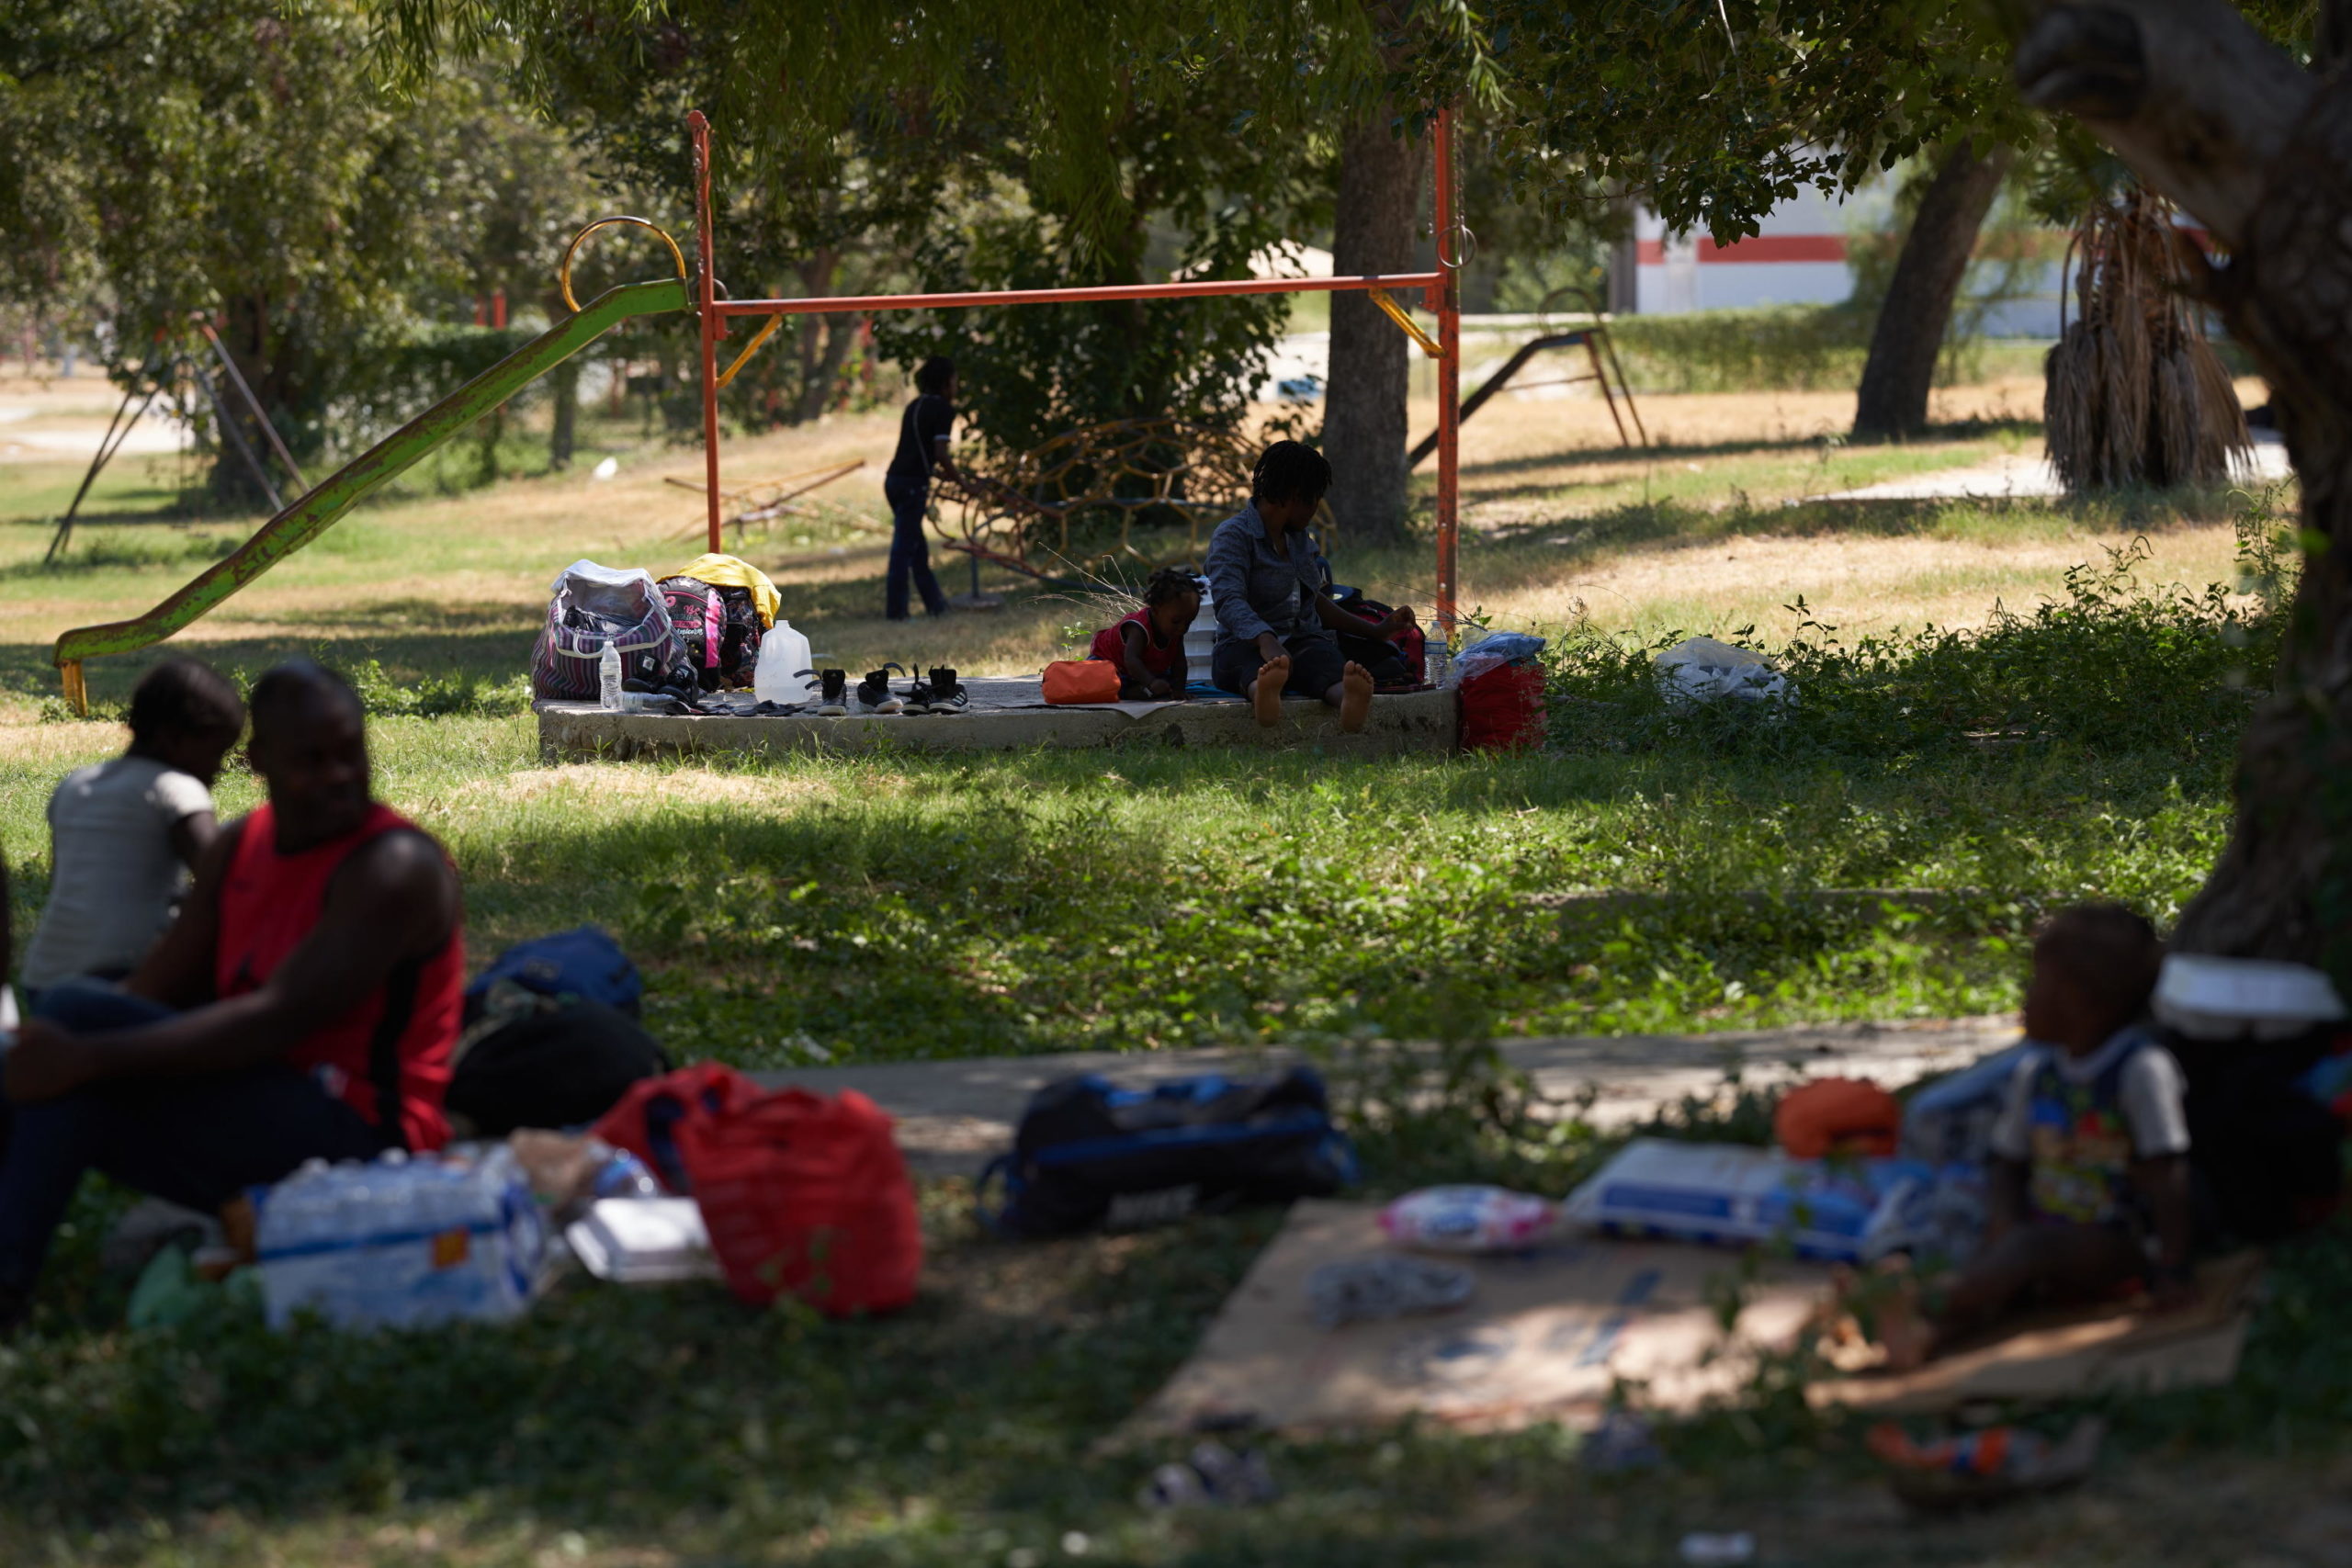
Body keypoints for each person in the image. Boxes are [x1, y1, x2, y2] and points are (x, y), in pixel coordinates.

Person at [0, 661, 466, 1327]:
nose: (337, 774)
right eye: (310, 758)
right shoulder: (241, 846)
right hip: (261, 1098)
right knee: (71, 1020)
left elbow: (272, 1021)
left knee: (77, 1038)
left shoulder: (393, 867)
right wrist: (47, 1051)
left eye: (350, 751)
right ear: (258, 762)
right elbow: (152, 990)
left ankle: (8, 1284)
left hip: (366, 1138)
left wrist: (84, 1058)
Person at [1871, 904, 2194, 1368]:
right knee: (2001, 1273)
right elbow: (2008, 1162)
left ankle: (1915, 1302)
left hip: (2116, 1244)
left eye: (2037, 984)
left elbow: (2167, 1173)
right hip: (2043, 1234)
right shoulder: (2036, 1074)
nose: (2025, 998)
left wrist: (2174, 1268)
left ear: (2080, 1000)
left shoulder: (2140, 1070)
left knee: (2024, 1254)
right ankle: (1924, 1337)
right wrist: (2003, 1224)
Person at [19, 658, 244, 997]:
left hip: (41, 981)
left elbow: (93, 885)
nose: (217, 770)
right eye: (215, 754)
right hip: (118, 981)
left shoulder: (75, 785)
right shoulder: (176, 789)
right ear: (174, 739)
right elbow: (225, 883)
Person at [1204, 441, 1418, 733]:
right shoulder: (1233, 535)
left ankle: (1348, 701)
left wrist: (1378, 630)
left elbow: (1313, 600)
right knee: (1247, 665)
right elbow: (1229, 600)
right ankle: (1263, 694)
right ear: (1292, 495)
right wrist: (1266, 640)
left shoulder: (1300, 539)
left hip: (1300, 643)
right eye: (1313, 499)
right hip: (1242, 646)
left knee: (1324, 662)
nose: (1316, 509)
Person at [882, 355, 958, 621]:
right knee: (904, 550)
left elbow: (919, 451)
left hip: (894, 480)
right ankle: (897, 613)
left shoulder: (914, 405)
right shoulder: (944, 410)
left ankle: (936, 606)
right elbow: (940, 452)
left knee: (915, 547)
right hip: (913, 485)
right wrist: (964, 483)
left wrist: (937, 472)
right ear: (947, 382)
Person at [1088, 566, 1201, 699]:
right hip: (1109, 664)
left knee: (1167, 681)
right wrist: (1151, 682)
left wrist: (1179, 689)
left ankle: (1139, 690)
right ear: (1156, 609)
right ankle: (1130, 692)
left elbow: (1179, 662)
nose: (1182, 628)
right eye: (1176, 621)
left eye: (1188, 622)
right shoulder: (1139, 628)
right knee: (1106, 683)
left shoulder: (1174, 632)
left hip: (1138, 670)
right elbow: (1131, 659)